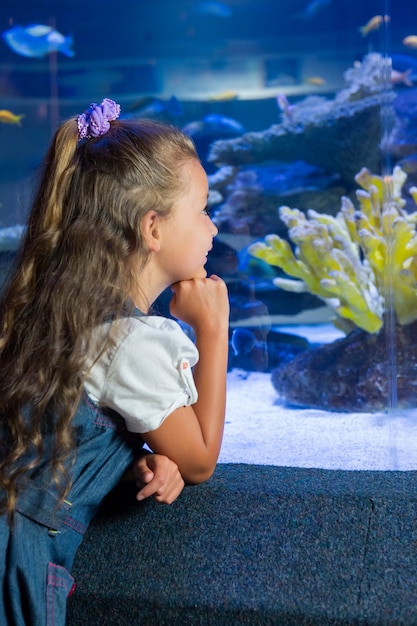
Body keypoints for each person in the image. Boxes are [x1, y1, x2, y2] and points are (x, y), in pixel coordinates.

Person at [0, 98, 229, 625]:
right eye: (201, 210)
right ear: (152, 228)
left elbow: (53, 426)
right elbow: (197, 461)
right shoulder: (131, 339)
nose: (213, 228)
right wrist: (213, 332)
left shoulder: (45, 310)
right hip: (20, 561)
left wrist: (124, 465)